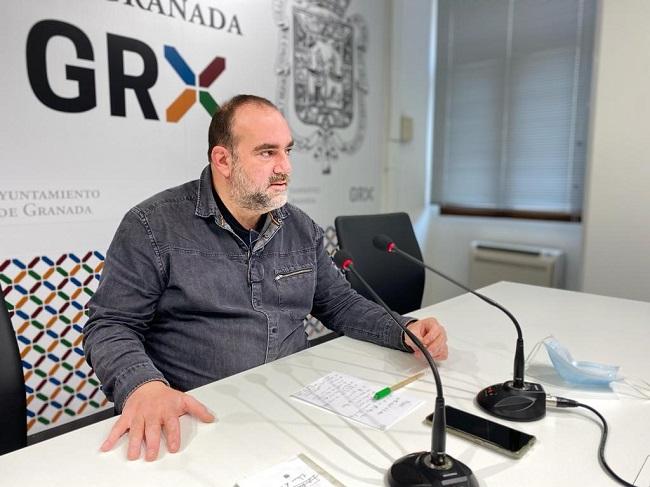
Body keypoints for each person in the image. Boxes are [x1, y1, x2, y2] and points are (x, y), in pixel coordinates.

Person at [83, 94, 448, 462]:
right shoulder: (152, 226)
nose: (284, 167)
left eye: (288, 151)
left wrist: (403, 329)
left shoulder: (301, 228)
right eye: (267, 153)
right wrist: (144, 388)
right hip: (199, 417)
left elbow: (339, 304)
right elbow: (111, 325)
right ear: (223, 160)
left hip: (294, 402)